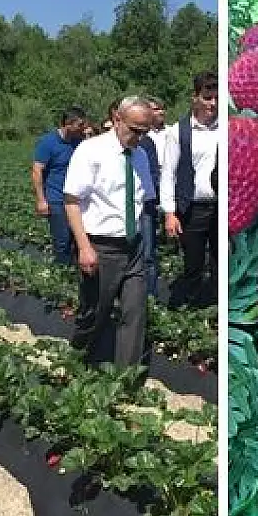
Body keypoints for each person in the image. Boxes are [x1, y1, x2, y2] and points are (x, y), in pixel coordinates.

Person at [63, 96, 156, 367]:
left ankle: (126, 379)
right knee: (95, 313)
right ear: (117, 119)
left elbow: (144, 200)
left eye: (145, 132)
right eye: (135, 130)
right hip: (101, 246)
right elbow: (72, 201)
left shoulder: (140, 155)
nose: (139, 137)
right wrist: (84, 247)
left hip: (133, 246)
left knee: (135, 312)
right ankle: (79, 360)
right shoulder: (90, 151)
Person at [161, 70, 219, 308]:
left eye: (216, 98)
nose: (213, 104)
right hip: (192, 208)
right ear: (194, 97)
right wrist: (169, 212)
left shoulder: (225, 128)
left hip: (222, 206)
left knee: (220, 261)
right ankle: (190, 308)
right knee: (193, 262)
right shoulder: (178, 132)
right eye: (207, 97)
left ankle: (215, 309)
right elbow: (168, 173)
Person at [31, 107, 88, 265]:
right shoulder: (48, 142)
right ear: (68, 124)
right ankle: (63, 274)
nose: (83, 128)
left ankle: (78, 273)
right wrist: (41, 200)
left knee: (78, 238)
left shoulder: (79, 141)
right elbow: (37, 171)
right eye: (80, 124)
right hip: (56, 199)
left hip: (76, 198)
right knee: (62, 240)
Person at [137, 97, 165, 297]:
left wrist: (155, 199)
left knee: (148, 253)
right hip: (120, 208)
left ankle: (150, 297)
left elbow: (153, 173)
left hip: (145, 206)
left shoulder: (147, 144)